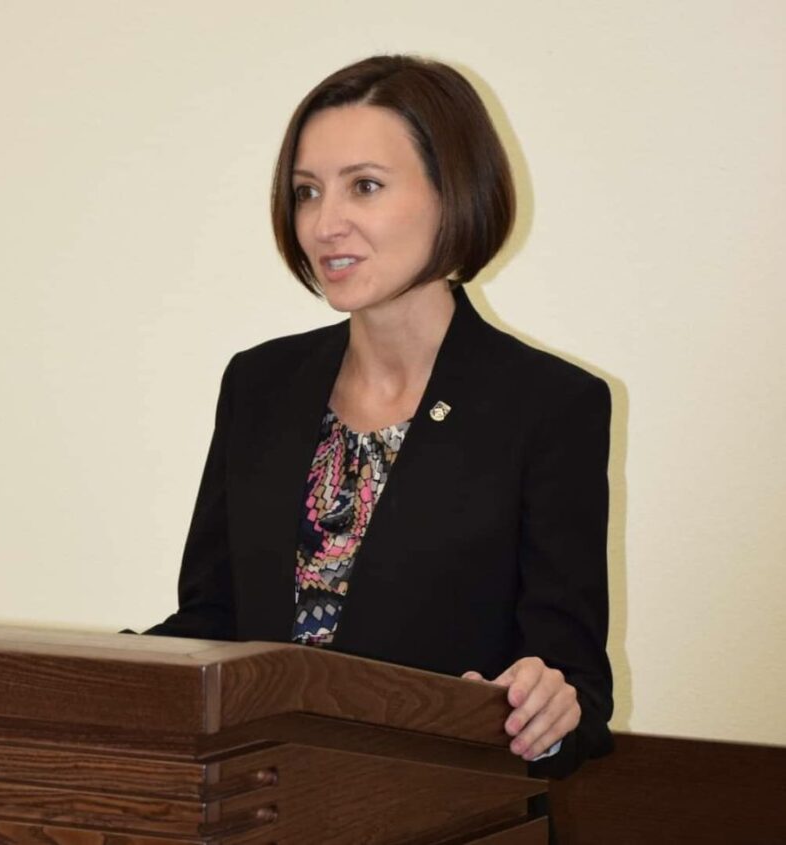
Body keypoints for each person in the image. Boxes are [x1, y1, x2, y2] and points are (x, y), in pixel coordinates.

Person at [146, 55, 612, 780]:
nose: (324, 223)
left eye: (364, 186)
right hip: (257, 801)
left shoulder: (550, 405)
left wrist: (544, 711)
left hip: (436, 804)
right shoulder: (260, 384)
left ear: (453, 192)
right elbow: (210, 623)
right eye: (306, 192)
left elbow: (576, 687)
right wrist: (94, 678)